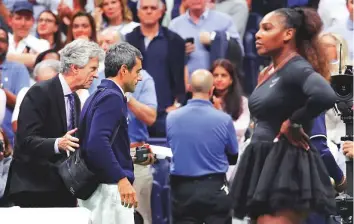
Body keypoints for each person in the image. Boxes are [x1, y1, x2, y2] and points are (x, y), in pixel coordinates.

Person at [230, 7, 338, 224]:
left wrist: (294, 121)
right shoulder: (268, 71)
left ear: (288, 34)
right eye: (258, 28)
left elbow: (325, 94)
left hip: (286, 163)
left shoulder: (296, 67)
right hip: (262, 159)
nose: (258, 35)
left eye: (267, 29)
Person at [6, 39, 104, 207]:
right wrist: (59, 143)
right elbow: (26, 140)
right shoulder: (40, 92)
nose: (95, 75)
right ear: (75, 68)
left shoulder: (75, 98)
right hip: (34, 189)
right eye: (92, 69)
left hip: (62, 187)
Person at [78, 42, 143, 224]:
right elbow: (97, 143)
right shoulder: (112, 97)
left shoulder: (97, 95)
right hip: (109, 190)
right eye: (137, 71)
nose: (139, 77)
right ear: (124, 70)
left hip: (99, 188)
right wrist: (121, 178)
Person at [166, 69, 238, 224]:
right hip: (213, 189)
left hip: (182, 190)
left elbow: (173, 148)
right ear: (212, 89)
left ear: (190, 88)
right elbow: (233, 156)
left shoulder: (172, 118)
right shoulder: (224, 120)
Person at [11, 59, 60, 133]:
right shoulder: (26, 92)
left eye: (50, 83)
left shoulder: (69, 95)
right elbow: (17, 126)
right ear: (36, 80)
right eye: (41, 83)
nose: (45, 88)